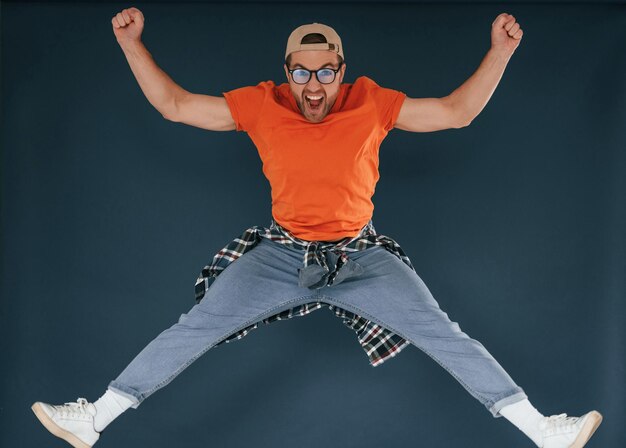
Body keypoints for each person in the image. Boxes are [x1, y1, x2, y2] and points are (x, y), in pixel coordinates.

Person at [31, 7, 602, 448]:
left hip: (362, 259)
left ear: (340, 71)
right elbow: (176, 105)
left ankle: (542, 431)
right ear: (287, 72)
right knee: (195, 326)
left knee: (444, 334)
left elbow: (457, 112)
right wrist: (130, 44)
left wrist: (500, 51)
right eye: (302, 72)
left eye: (325, 72)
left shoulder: (372, 103)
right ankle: (94, 419)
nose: (313, 85)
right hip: (282, 255)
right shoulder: (260, 106)